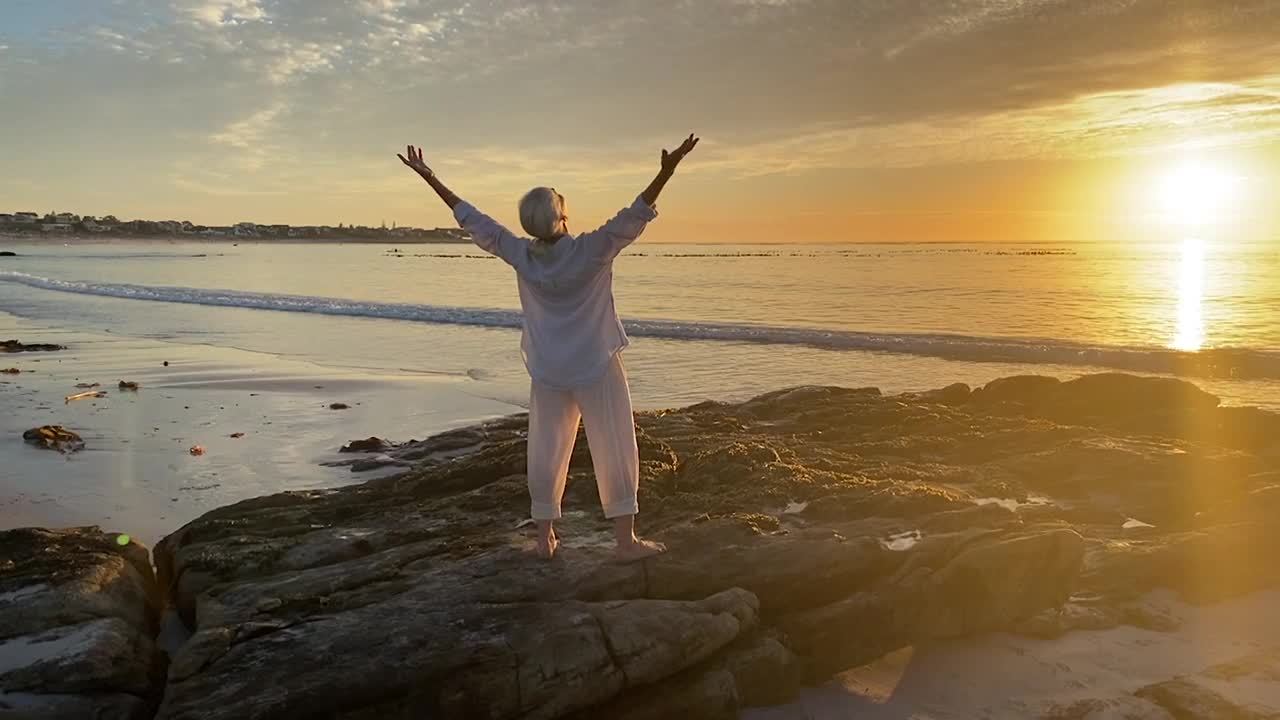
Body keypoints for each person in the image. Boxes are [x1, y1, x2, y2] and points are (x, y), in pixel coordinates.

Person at [398, 134, 699, 562]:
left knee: (545, 448)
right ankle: (625, 542)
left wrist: (430, 177)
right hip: (596, 363)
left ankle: (545, 539)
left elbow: (473, 219)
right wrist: (666, 172)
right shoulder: (592, 250)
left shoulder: (521, 254)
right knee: (614, 445)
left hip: (549, 368)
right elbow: (635, 214)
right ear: (561, 216)